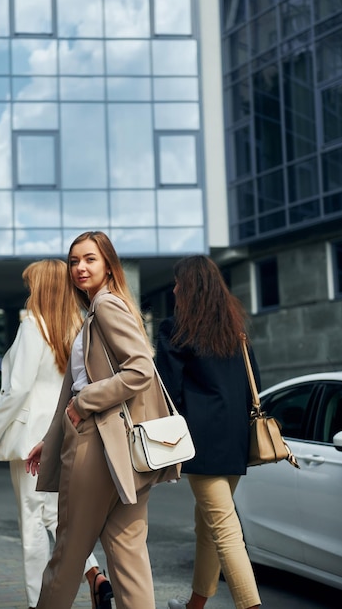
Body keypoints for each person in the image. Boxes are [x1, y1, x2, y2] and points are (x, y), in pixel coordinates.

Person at [26, 231, 181, 609]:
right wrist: (53, 437)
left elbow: (140, 370)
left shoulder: (107, 307)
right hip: (121, 452)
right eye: (74, 260)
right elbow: (81, 381)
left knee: (68, 553)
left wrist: (84, 404)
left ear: (108, 264)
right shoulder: (99, 311)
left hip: (96, 445)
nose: (80, 267)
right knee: (129, 559)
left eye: (90, 259)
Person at [0, 259, 111, 609]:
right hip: (64, 433)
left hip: (29, 443)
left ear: (43, 287)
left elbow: (17, 389)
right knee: (55, 515)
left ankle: (39, 602)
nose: (29, 291)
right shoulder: (77, 327)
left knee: (32, 526)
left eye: (32, 284)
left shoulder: (34, 326)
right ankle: (95, 574)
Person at [156, 255, 262, 609]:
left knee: (225, 530)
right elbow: (255, 383)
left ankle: (252, 606)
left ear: (190, 287)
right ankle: (196, 604)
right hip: (235, 442)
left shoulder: (175, 329)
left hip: (199, 443)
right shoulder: (235, 330)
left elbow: (166, 389)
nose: (173, 289)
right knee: (208, 524)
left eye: (177, 283)